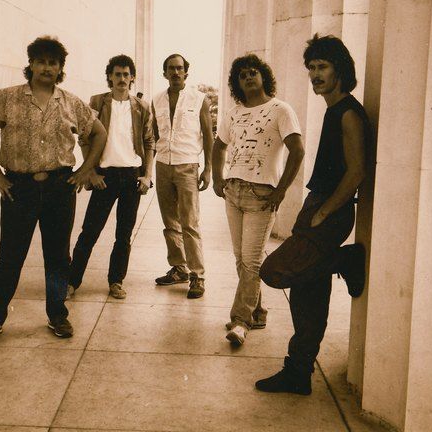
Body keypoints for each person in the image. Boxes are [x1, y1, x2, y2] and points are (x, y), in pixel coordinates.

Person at [0, 36, 106, 344]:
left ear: (60, 68)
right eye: (41, 61)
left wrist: (85, 170)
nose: (46, 67)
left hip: (60, 188)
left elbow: (99, 133)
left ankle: (58, 315)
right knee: (9, 257)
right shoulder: (7, 98)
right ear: (30, 64)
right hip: (19, 189)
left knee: (58, 257)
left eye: (53, 63)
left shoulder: (71, 102)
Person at [256, 34, 369, 395]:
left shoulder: (348, 113)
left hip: (328, 211)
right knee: (309, 295)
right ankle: (298, 371)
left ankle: (345, 259)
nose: (315, 74)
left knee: (274, 271)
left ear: (340, 69)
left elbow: (357, 171)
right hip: (318, 205)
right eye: (311, 68)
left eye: (323, 66)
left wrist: (324, 212)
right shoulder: (334, 109)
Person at [212, 54, 304, 346]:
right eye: (242, 75)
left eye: (253, 72)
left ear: (263, 76)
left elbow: (297, 150)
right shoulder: (234, 112)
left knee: (251, 261)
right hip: (233, 191)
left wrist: (282, 189)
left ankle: (241, 321)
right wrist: (217, 178)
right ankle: (258, 311)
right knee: (242, 259)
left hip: (262, 195)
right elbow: (218, 146)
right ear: (237, 83)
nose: (248, 77)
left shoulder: (280, 109)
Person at [68, 55, 155, 299]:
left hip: (131, 177)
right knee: (89, 232)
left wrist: (147, 176)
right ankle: (71, 281)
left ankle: (116, 281)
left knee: (123, 235)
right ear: (110, 76)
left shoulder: (141, 107)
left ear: (132, 77)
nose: (122, 79)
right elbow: (84, 138)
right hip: (104, 177)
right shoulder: (97, 102)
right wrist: (91, 172)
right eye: (117, 74)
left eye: (126, 74)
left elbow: (149, 142)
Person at [152, 54, 214, 299]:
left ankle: (197, 275)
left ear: (186, 72)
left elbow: (208, 135)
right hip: (163, 164)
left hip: (187, 165)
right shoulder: (156, 100)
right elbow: (155, 135)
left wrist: (208, 168)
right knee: (170, 222)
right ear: (165, 73)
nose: (175, 72)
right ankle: (179, 268)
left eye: (179, 68)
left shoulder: (199, 99)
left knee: (190, 222)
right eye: (171, 68)